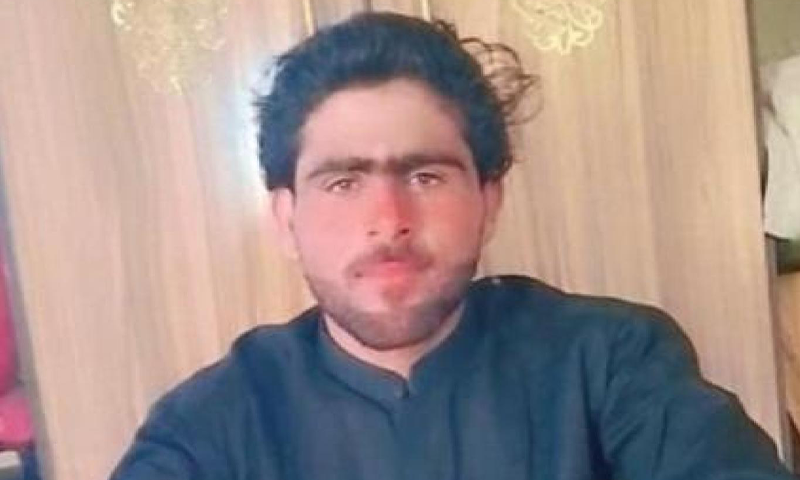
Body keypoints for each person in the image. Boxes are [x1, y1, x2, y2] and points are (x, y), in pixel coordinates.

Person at [110, 12, 795, 480]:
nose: (388, 221)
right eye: (343, 181)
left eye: (425, 176)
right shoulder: (210, 425)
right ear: (286, 220)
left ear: (488, 203)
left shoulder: (611, 361)